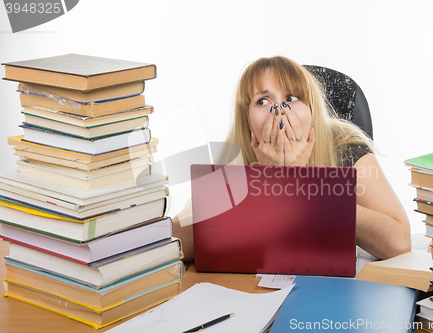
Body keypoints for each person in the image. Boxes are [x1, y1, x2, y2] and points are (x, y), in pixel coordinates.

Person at [173, 56, 411, 261]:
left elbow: (398, 243)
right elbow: (173, 241)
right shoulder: (235, 153)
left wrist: (302, 184)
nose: (280, 110)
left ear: (312, 109)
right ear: (248, 121)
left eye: (292, 98)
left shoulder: (343, 144)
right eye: (263, 101)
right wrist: (268, 181)